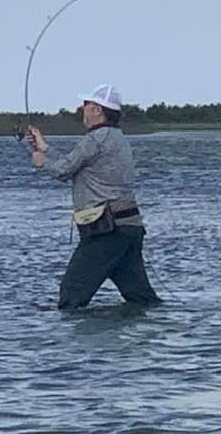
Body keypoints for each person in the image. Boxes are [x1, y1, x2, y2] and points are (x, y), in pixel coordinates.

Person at [25, 83, 161, 309]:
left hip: (105, 230)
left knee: (71, 294)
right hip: (128, 227)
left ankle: (75, 342)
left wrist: (41, 163)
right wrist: (45, 148)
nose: (82, 108)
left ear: (98, 110)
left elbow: (63, 170)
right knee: (140, 297)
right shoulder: (117, 137)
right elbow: (74, 164)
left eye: (86, 104)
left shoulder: (95, 139)